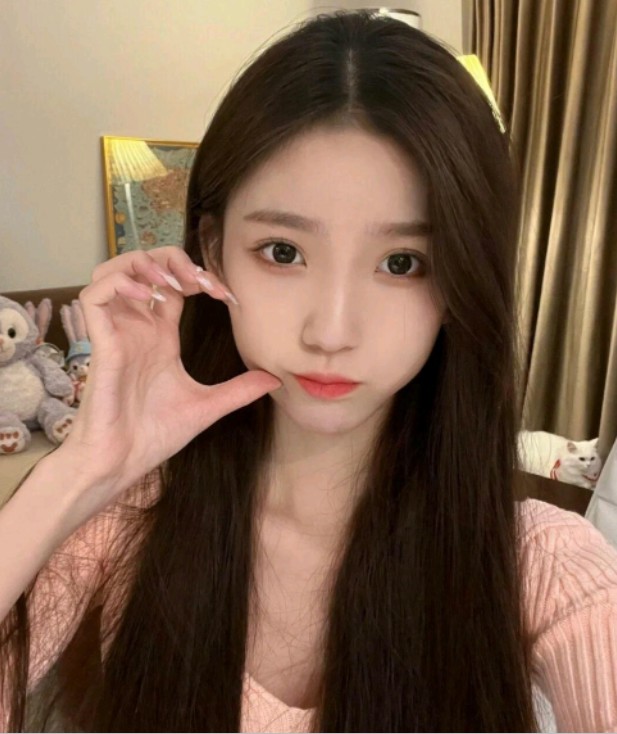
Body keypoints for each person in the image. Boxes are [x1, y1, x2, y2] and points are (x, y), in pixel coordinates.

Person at [1, 9, 616, 732]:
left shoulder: (540, 565)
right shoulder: (121, 522)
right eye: (283, 252)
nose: (330, 332)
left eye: (402, 263)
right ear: (213, 250)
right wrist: (83, 470)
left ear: (459, 284)